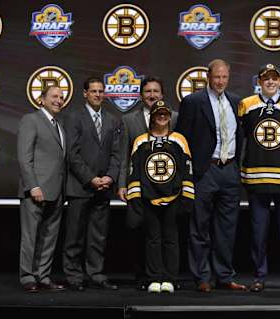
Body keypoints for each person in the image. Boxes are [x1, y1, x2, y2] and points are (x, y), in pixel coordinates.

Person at [176, 59, 246, 292]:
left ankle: (224, 276)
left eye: (224, 77)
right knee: (200, 227)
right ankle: (202, 277)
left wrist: (237, 167)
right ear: (208, 76)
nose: (220, 81)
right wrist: (187, 174)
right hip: (204, 171)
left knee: (227, 229)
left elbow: (241, 137)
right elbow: (181, 141)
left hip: (229, 170)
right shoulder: (193, 101)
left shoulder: (236, 102)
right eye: (217, 77)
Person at [238, 64, 280, 292]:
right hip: (257, 179)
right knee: (258, 233)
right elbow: (241, 138)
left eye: (274, 78)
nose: (270, 82)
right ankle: (259, 276)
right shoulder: (246, 105)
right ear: (259, 80)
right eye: (266, 78)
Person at [126, 100, 194, 293]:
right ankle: (154, 277)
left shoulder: (180, 140)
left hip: (174, 197)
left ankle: (170, 279)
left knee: (171, 239)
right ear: (152, 117)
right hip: (149, 198)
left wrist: (187, 197)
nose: (162, 117)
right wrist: (136, 198)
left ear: (169, 117)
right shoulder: (140, 141)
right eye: (158, 114)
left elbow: (187, 169)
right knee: (152, 239)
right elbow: (134, 171)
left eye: (165, 114)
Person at [62, 77, 120, 291]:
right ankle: (74, 276)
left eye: (101, 91)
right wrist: (91, 178)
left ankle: (96, 274)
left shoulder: (112, 119)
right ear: (85, 93)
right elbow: (72, 154)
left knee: (98, 236)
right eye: (93, 91)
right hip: (80, 187)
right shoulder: (74, 118)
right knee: (74, 236)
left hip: (103, 189)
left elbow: (116, 154)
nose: (98, 95)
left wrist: (110, 177)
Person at [117, 77, 175, 291]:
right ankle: (144, 277)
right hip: (139, 186)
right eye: (148, 91)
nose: (152, 95)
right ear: (141, 95)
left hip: (166, 189)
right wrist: (122, 184)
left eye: (156, 91)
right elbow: (124, 155)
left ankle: (166, 277)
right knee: (141, 231)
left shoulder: (173, 118)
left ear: (162, 95)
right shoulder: (128, 120)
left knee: (166, 234)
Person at [17, 85, 67, 292]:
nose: (58, 100)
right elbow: (24, 157)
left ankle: (43, 276)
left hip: (56, 191)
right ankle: (27, 276)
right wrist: (33, 186)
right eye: (54, 96)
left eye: (61, 97)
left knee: (49, 237)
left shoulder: (59, 125)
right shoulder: (31, 120)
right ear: (41, 99)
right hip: (36, 191)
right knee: (31, 236)